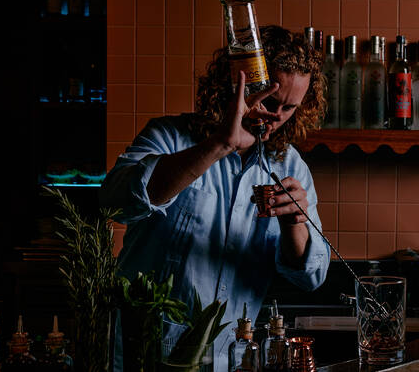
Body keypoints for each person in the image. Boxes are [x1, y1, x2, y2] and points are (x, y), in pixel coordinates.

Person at [101, 25, 331, 371]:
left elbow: (311, 276)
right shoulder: (169, 136)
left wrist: (295, 222)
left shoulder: (291, 166)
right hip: (142, 352)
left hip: (228, 359)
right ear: (237, 85)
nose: (276, 117)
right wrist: (219, 144)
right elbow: (116, 202)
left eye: (289, 109)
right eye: (269, 101)